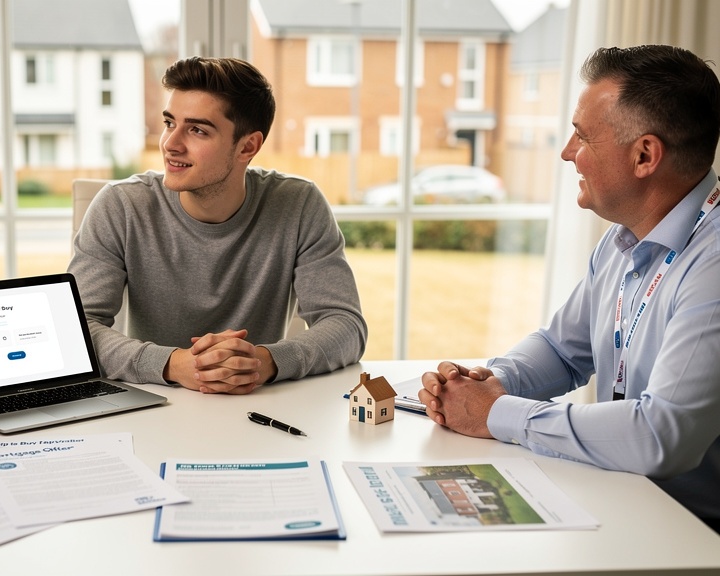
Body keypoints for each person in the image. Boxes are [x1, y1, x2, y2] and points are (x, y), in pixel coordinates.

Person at [419, 45, 720, 530]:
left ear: (644, 155)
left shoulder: (714, 262)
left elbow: (661, 436)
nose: (566, 152)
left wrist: (498, 413)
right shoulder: (623, 239)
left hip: (693, 534)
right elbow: (562, 349)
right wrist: (493, 382)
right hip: (626, 500)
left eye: (582, 137)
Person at [67, 56, 366, 394]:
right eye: (169, 123)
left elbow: (346, 326)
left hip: (258, 408)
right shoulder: (121, 206)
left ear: (247, 146)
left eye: (197, 130)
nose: (170, 144)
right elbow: (76, 330)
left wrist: (263, 362)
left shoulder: (299, 204)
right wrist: (172, 364)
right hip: (153, 406)